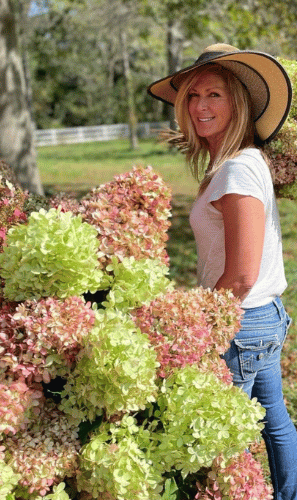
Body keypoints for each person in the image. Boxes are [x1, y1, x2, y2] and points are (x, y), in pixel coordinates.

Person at [149, 43, 296, 499]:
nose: (199, 106)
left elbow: (241, 275)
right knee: (275, 425)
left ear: (239, 102)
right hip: (262, 317)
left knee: (212, 442)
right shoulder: (237, 164)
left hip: (240, 322)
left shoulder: (237, 169)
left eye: (213, 94)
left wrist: (198, 327)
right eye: (192, 96)